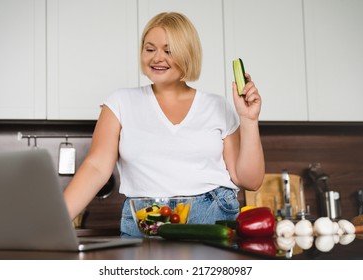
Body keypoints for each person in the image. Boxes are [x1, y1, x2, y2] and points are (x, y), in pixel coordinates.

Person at [63, 12, 265, 237]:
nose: (157, 58)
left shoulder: (218, 106)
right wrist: (54, 222)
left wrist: (249, 120)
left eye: (168, 50)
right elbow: (96, 168)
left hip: (212, 217)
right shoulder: (119, 103)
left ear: (188, 54)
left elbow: (250, 180)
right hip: (144, 221)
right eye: (150, 49)